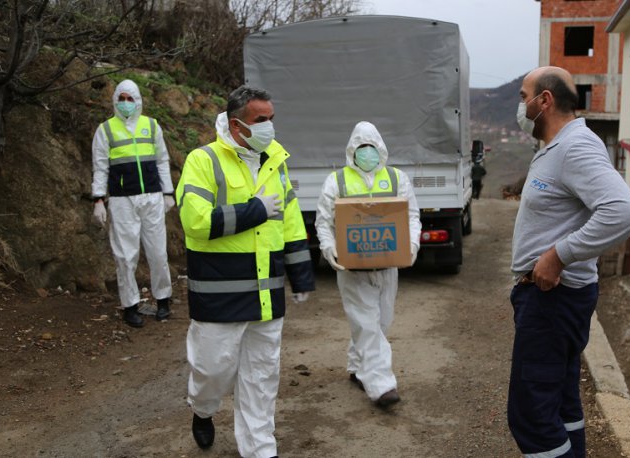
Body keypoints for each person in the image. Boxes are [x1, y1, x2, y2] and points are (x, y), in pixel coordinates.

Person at [508, 66, 630, 457]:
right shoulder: (560, 145)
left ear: (544, 100)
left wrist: (557, 255)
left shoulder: (574, 146)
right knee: (560, 400)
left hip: (552, 298)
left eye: (523, 96)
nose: (521, 106)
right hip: (559, 299)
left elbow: (625, 211)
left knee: (531, 414)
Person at [175, 86, 315, 457]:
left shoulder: (275, 163)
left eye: (272, 118)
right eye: (261, 120)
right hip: (219, 293)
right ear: (237, 125)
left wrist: (301, 274)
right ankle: (202, 409)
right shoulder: (203, 161)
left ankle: (260, 450)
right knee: (212, 372)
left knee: (262, 377)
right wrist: (254, 210)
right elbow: (194, 221)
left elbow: (291, 223)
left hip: (267, 294)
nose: (270, 126)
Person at [314, 121, 421, 407]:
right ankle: (381, 386)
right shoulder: (337, 181)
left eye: (371, 147)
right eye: (361, 147)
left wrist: (412, 244)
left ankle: (356, 367)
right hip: (353, 270)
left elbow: (412, 216)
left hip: (387, 267)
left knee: (381, 322)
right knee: (366, 323)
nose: (367, 152)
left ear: (381, 148)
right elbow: (324, 221)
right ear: (352, 150)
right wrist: (329, 248)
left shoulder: (397, 178)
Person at [91, 79, 175, 328]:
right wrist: (98, 199)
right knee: (125, 256)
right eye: (122, 98)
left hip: (151, 196)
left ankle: (163, 300)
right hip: (121, 199)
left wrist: (168, 192)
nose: (126, 103)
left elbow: (162, 160)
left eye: (131, 98)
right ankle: (130, 305)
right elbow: (100, 166)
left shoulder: (152, 125)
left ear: (138, 100)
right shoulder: (105, 130)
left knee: (158, 252)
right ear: (115, 100)